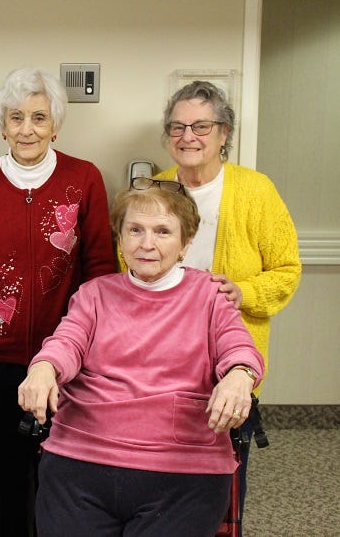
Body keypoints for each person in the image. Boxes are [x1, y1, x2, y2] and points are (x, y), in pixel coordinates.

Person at [18, 186, 265, 536]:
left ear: (186, 242)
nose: (146, 244)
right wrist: (43, 368)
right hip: (81, 460)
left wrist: (239, 376)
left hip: (184, 471)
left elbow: (239, 348)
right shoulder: (94, 294)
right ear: (120, 237)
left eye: (163, 231)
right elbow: (66, 343)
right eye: (135, 230)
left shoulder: (210, 295)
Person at [0, 68, 115, 536]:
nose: (27, 129)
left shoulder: (83, 178)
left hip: (67, 353)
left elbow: (101, 270)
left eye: (39, 118)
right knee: (5, 469)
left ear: (55, 126)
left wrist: (92, 345)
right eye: (16, 117)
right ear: (2, 126)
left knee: (61, 468)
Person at [155, 80, 301, 522]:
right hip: (159, 355)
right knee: (160, 471)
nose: (188, 137)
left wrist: (244, 293)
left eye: (201, 125)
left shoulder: (255, 191)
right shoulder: (156, 188)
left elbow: (286, 269)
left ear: (224, 132)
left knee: (222, 478)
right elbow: (129, 264)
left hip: (229, 356)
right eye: (177, 127)